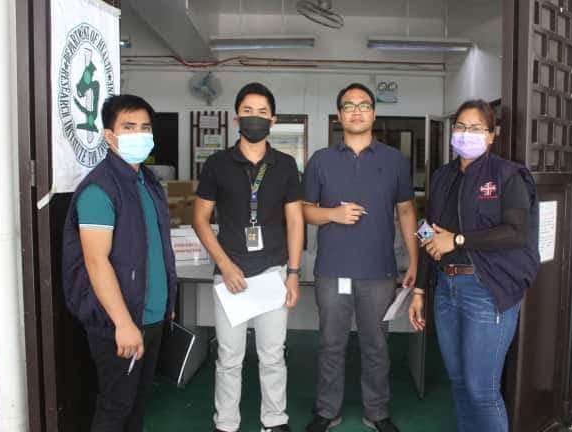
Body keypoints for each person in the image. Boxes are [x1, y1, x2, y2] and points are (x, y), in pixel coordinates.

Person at [302, 83, 422, 432]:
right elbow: (304, 211)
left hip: (378, 271)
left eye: (364, 105)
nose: (357, 111)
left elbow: (406, 211)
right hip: (332, 270)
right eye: (349, 106)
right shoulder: (321, 160)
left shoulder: (394, 161)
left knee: (376, 345)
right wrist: (333, 214)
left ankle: (377, 412)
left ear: (374, 113)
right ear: (339, 115)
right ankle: (327, 410)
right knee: (330, 344)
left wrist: (415, 261)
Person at [415, 99, 540, 432]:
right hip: (446, 289)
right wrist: (419, 289)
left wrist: (457, 240)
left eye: (475, 128)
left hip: (486, 290)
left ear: (491, 135)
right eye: (460, 127)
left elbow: (516, 232)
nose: (465, 134)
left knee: (481, 389)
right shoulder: (443, 176)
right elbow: (428, 229)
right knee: (458, 381)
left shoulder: (507, 175)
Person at [192, 82, 304, 432]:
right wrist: (225, 265)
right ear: (236, 117)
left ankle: (274, 420)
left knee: (273, 355)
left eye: (262, 112)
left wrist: (293, 272)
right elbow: (200, 219)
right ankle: (226, 423)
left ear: (273, 119)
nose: (255, 118)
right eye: (248, 111)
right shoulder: (217, 164)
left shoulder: (285, 165)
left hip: (273, 272)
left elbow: (295, 220)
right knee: (229, 357)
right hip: (230, 275)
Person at [62, 94, 177, 431]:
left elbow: (154, 249)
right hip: (120, 321)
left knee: (136, 404)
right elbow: (96, 262)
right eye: (129, 127)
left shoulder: (147, 182)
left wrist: (166, 302)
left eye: (145, 127)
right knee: (116, 406)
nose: (139, 134)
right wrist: (123, 324)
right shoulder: (100, 190)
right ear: (110, 136)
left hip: (150, 315)